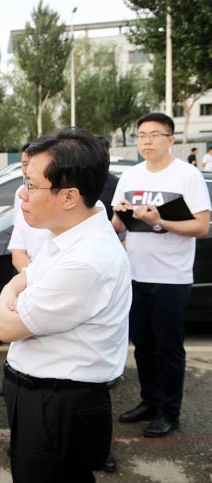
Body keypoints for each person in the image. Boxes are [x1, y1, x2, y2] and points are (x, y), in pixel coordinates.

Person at [0, 128, 132, 483]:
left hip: (58, 408)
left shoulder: (85, 259)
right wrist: (17, 287)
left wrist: (9, 291)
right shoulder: (73, 231)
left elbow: (5, 327)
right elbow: (25, 278)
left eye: (30, 184)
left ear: (69, 196)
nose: (22, 195)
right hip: (42, 400)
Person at [112, 113, 210, 438]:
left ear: (170, 139)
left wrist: (160, 222)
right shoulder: (130, 176)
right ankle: (149, 402)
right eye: (141, 135)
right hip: (135, 274)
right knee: (143, 345)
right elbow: (118, 226)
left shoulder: (188, 175)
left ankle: (169, 411)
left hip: (171, 277)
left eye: (154, 134)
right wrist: (119, 217)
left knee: (169, 348)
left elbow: (201, 226)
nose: (147, 141)